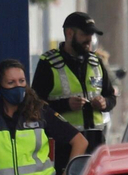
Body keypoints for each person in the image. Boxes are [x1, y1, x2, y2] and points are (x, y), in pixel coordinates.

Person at [33, 11, 117, 150]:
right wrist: (65, 105)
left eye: (91, 35)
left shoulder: (96, 62)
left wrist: (104, 103)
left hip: (95, 141)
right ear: (70, 33)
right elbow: (35, 104)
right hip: (63, 142)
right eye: (85, 34)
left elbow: (111, 97)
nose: (89, 39)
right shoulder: (48, 63)